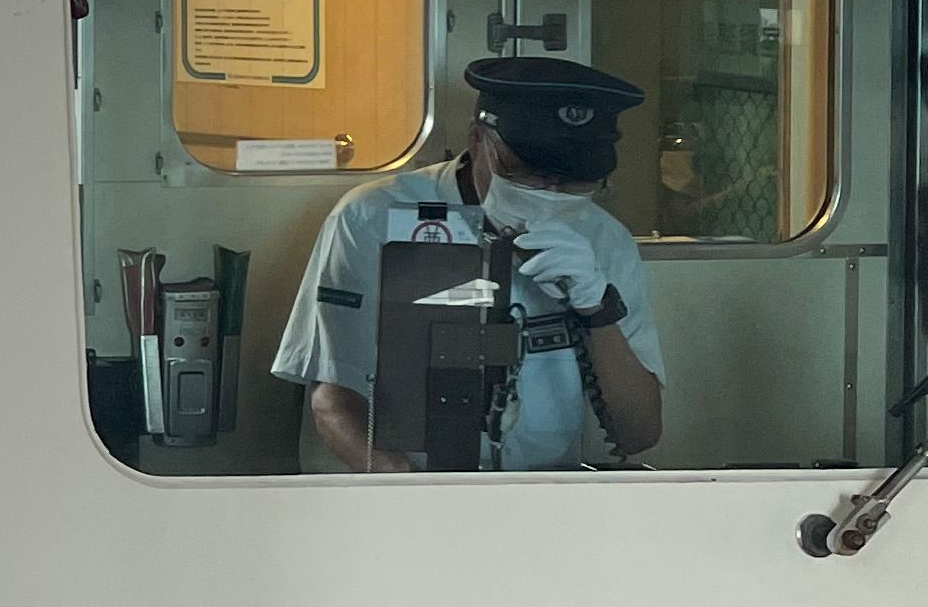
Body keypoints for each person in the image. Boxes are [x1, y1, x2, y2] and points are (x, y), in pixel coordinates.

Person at [271, 54, 667, 472]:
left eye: (574, 181)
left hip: (542, 494)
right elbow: (333, 399)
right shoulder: (373, 217)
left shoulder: (604, 239)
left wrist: (596, 309)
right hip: (402, 488)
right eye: (528, 174)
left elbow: (639, 434)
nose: (551, 191)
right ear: (478, 140)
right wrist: (412, 495)